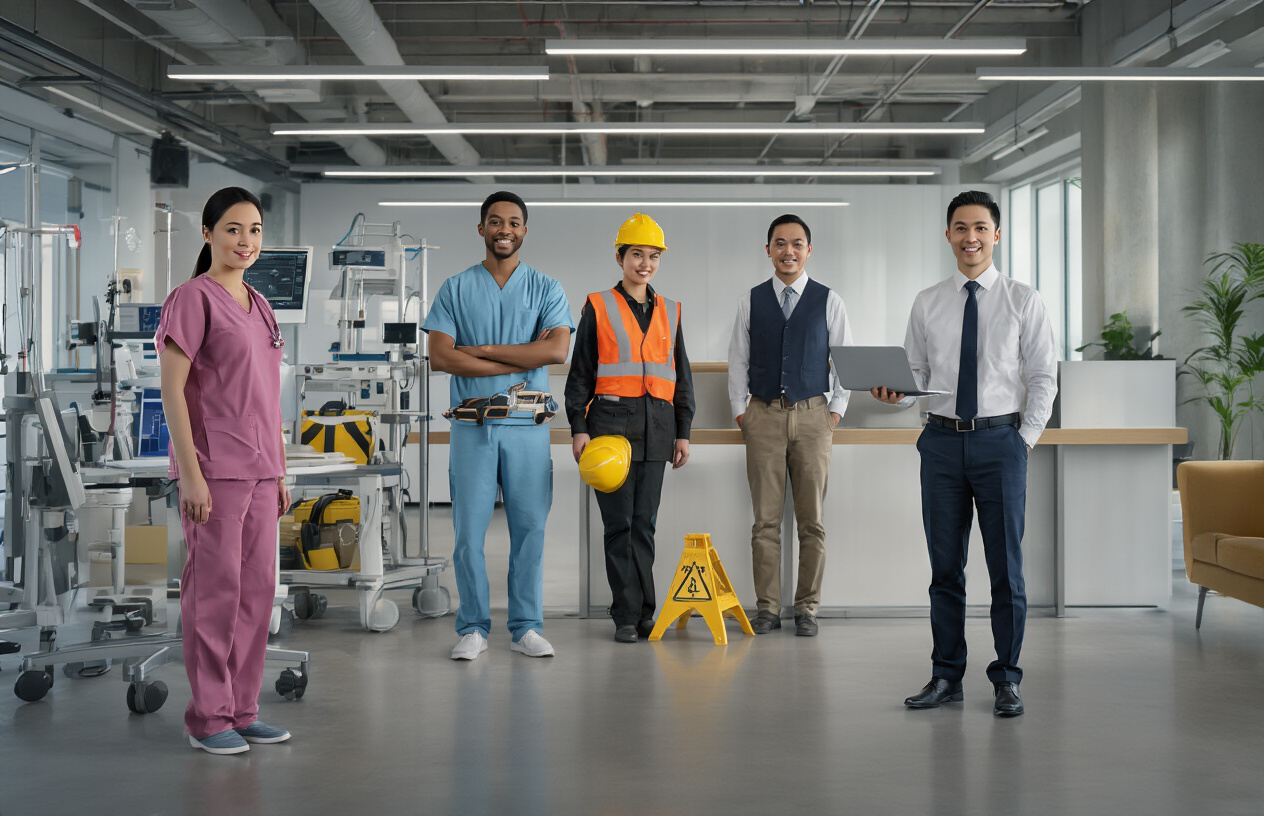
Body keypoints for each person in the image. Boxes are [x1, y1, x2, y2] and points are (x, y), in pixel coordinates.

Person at [874, 190, 1056, 717]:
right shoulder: (928, 302)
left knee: (1006, 570)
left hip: (1002, 443)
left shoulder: (1023, 299)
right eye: (960, 228)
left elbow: (1043, 376)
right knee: (945, 569)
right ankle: (946, 675)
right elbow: (916, 375)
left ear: (996, 235)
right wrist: (894, 394)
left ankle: (1007, 678)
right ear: (948, 235)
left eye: (979, 228)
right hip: (942, 443)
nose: (970, 237)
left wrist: (1024, 439)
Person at [157, 186, 292, 755]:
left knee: (257, 593)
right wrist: (190, 474)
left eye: (255, 230)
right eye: (234, 229)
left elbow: (266, 395)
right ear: (208, 233)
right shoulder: (193, 299)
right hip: (214, 470)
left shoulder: (260, 304)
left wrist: (279, 470)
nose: (246, 240)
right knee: (215, 593)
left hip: (261, 470)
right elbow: (172, 390)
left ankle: (242, 709)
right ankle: (208, 718)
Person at [423, 191, 573, 661]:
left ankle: (526, 626)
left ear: (524, 230)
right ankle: (472, 627)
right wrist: (521, 354)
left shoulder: (546, 288)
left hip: (527, 428)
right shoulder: (455, 288)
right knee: (468, 534)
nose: (504, 229)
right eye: (494, 221)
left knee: (530, 529)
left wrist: (482, 351)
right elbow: (441, 357)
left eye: (513, 222)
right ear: (481, 229)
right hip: (473, 429)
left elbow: (555, 351)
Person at [564, 213, 695, 644]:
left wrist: (683, 430)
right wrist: (578, 427)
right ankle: (624, 614)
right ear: (620, 257)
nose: (645, 264)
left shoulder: (670, 311)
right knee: (618, 525)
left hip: (657, 430)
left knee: (644, 525)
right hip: (609, 431)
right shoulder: (599, 306)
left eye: (653, 256)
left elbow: (681, 376)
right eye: (637, 254)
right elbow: (581, 373)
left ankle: (645, 614)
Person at [727, 214, 852, 637]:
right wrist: (741, 413)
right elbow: (738, 360)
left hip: (815, 417)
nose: (789, 251)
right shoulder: (751, 300)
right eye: (780, 243)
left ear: (809, 250)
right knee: (764, 522)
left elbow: (845, 360)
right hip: (762, 416)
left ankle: (807, 608)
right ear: (768, 250)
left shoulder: (829, 300)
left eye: (797, 243)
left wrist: (835, 411)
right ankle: (766, 608)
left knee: (811, 522)